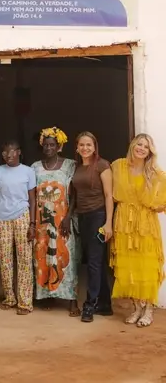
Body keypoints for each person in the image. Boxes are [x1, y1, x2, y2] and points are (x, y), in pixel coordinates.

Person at [110, 134, 166, 328]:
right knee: (129, 266)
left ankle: (148, 310)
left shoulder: (155, 174)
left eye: (146, 146)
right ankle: (136, 308)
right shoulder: (118, 166)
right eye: (139, 144)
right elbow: (109, 193)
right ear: (133, 145)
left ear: (150, 152)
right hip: (124, 224)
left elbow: (162, 200)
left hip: (146, 226)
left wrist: (156, 204)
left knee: (147, 267)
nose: (142, 148)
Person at [31, 127, 79, 316]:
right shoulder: (35, 166)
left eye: (53, 145)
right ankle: (47, 295)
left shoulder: (70, 165)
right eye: (46, 145)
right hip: (42, 221)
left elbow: (75, 194)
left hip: (62, 221)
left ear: (59, 146)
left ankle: (72, 299)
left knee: (67, 257)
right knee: (43, 256)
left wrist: (68, 217)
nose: (49, 148)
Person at [67, 131, 114, 322]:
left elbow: (109, 195)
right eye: (81, 145)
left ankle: (89, 305)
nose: (85, 148)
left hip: (98, 215)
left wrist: (108, 223)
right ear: (77, 148)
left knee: (94, 263)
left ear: (95, 147)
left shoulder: (102, 165)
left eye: (89, 145)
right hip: (83, 217)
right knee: (95, 261)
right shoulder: (77, 167)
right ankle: (104, 304)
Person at [0, 140, 37, 315]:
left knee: (24, 259)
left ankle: (25, 302)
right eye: (5, 153)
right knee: (5, 259)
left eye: (12, 152)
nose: (8, 156)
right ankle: (10, 297)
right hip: (2, 219)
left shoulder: (28, 171)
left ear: (19, 152)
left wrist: (32, 224)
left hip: (22, 216)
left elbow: (32, 199)